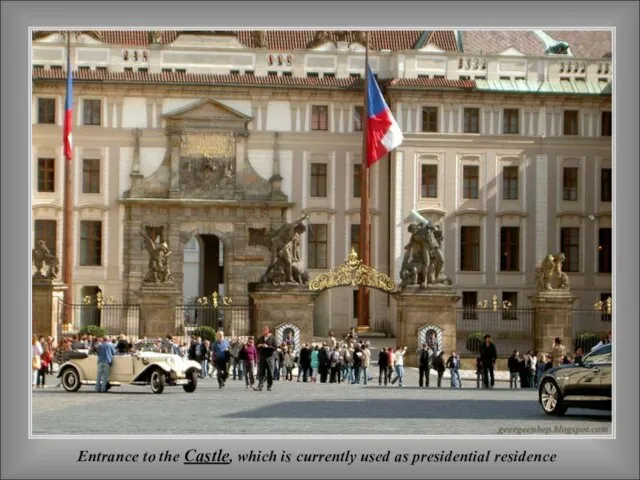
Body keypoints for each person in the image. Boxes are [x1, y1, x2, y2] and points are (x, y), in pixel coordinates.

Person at [255, 325, 277, 391]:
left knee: (270, 372)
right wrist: (259, 345)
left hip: (269, 357)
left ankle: (269, 385)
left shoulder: (273, 338)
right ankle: (260, 385)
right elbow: (256, 345)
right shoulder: (260, 338)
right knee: (261, 372)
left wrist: (267, 346)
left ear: (268, 331)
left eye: (265, 330)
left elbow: (275, 347)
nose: (263, 331)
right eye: (263, 330)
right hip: (262, 357)